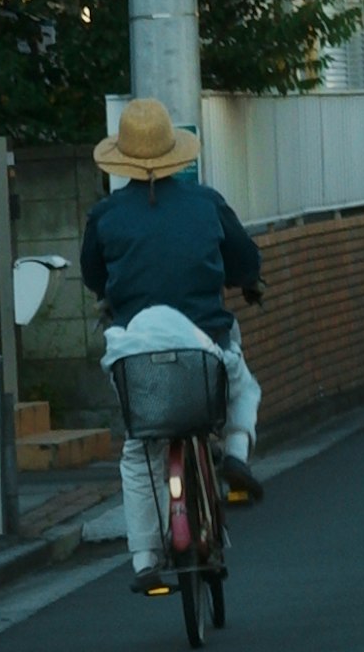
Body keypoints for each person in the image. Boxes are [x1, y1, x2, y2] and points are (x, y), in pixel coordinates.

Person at [76, 92, 265, 598]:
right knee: (243, 388)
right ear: (174, 152)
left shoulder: (105, 216)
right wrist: (248, 280)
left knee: (140, 451)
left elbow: (94, 275)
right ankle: (238, 455)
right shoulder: (206, 203)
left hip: (138, 359)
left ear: (125, 159)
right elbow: (245, 258)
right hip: (205, 352)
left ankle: (143, 557)